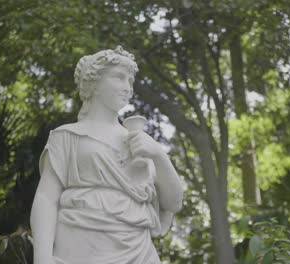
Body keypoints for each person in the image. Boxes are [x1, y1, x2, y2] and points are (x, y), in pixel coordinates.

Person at [30, 46, 184, 264]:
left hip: (139, 252)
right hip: (81, 247)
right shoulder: (66, 137)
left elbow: (174, 202)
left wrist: (159, 155)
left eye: (130, 81)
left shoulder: (141, 143)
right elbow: (46, 198)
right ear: (94, 83)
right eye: (119, 77)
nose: (127, 87)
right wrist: (42, 258)